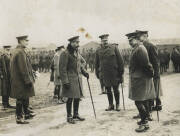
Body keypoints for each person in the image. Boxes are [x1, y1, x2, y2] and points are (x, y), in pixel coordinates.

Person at [126, 32, 156, 132]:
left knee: (138, 101)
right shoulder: (137, 48)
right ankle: (145, 119)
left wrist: (151, 74)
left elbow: (146, 65)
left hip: (140, 79)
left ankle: (144, 123)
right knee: (143, 100)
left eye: (131, 40)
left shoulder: (140, 49)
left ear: (137, 39)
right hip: (138, 79)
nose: (130, 42)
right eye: (129, 41)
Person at [59, 36, 89, 124]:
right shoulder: (65, 53)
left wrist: (85, 73)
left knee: (77, 97)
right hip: (70, 80)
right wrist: (65, 81)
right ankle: (69, 116)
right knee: (70, 98)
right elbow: (62, 69)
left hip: (78, 79)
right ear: (71, 43)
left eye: (78, 42)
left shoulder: (76, 52)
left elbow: (79, 65)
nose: (77, 44)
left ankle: (76, 114)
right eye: (75, 42)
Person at [95, 34, 124, 111]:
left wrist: (121, 73)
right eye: (103, 41)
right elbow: (97, 63)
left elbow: (120, 61)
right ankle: (111, 105)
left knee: (115, 89)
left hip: (114, 73)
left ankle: (118, 104)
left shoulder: (114, 48)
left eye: (106, 40)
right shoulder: (98, 50)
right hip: (105, 73)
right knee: (108, 90)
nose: (105, 42)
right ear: (101, 41)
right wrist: (97, 73)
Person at [10, 35, 35, 124]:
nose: (27, 42)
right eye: (25, 40)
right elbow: (23, 68)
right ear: (20, 41)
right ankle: (19, 117)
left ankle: (27, 114)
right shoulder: (20, 52)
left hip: (18, 79)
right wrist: (28, 80)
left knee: (24, 96)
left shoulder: (17, 51)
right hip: (20, 80)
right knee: (20, 98)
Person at [136, 30, 163, 112]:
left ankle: (152, 108)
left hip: (152, 72)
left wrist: (156, 73)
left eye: (140, 36)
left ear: (145, 36)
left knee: (152, 90)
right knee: (152, 90)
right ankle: (157, 105)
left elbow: (155, 61)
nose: (138, 38)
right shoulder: (141, 45)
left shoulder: (151, 45)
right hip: (146, 72)